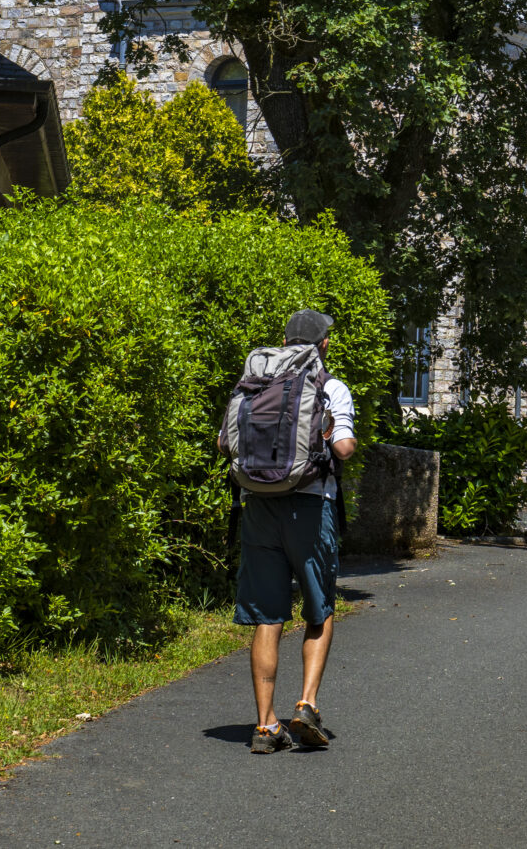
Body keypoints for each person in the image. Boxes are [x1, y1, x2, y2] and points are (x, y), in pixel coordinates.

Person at [226, 308, 356, 755]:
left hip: (258, 505)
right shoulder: (330, 386)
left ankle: (265, 727)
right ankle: (306, 706)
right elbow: (343, 447)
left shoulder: (254, 380)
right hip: (308, 505)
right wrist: (332, 434)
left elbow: (226, 443)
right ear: (323, 345)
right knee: (319, 610)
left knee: (268, 616)